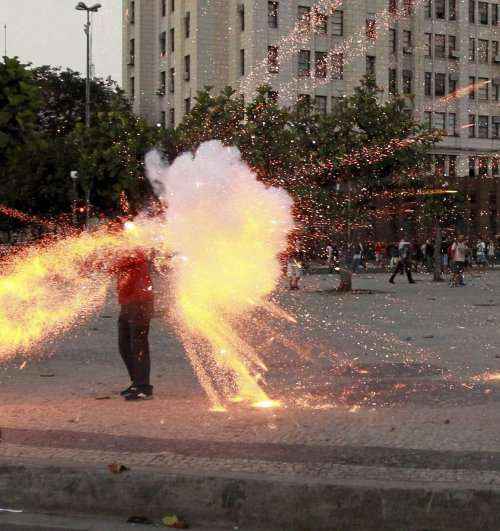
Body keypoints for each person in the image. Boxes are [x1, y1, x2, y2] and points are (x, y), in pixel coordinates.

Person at [110, 247, 155, 401]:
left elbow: (117, 263)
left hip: (141, 302)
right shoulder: (124, 248)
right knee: (124, 345)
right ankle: (136, 382)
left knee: (138, 344)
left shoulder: (135, 249)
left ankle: (143, 387)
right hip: (128, 302)